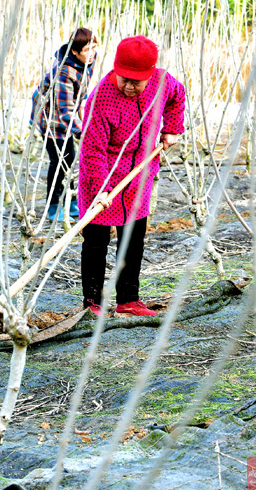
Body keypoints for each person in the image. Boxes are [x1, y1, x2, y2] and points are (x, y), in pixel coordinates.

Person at [78, 35, 186, 317]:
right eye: (124, 79)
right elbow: (92, 152)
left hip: (140, 171)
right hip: (101, 173)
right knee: (96, 240)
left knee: (133, 235)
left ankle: (128, 299)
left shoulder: (162, 82)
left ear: (149, 76)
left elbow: (178, 96)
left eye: (136, 81)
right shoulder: (100, 98)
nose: (128, 86)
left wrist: (171, 128)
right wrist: (102, 188)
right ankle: (93, 303)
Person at [30, 28, 98, 221]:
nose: (92, 53)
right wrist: (84, 131)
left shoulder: (89, 60)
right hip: (50, 119)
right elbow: (65, 110)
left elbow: (78, 94)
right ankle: (53, 207)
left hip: (67, 113)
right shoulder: (63, 73)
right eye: (87, 50)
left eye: (94, 47)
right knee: (60, 162)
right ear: (74, 52)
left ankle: (71, 202)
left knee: (69, 160)